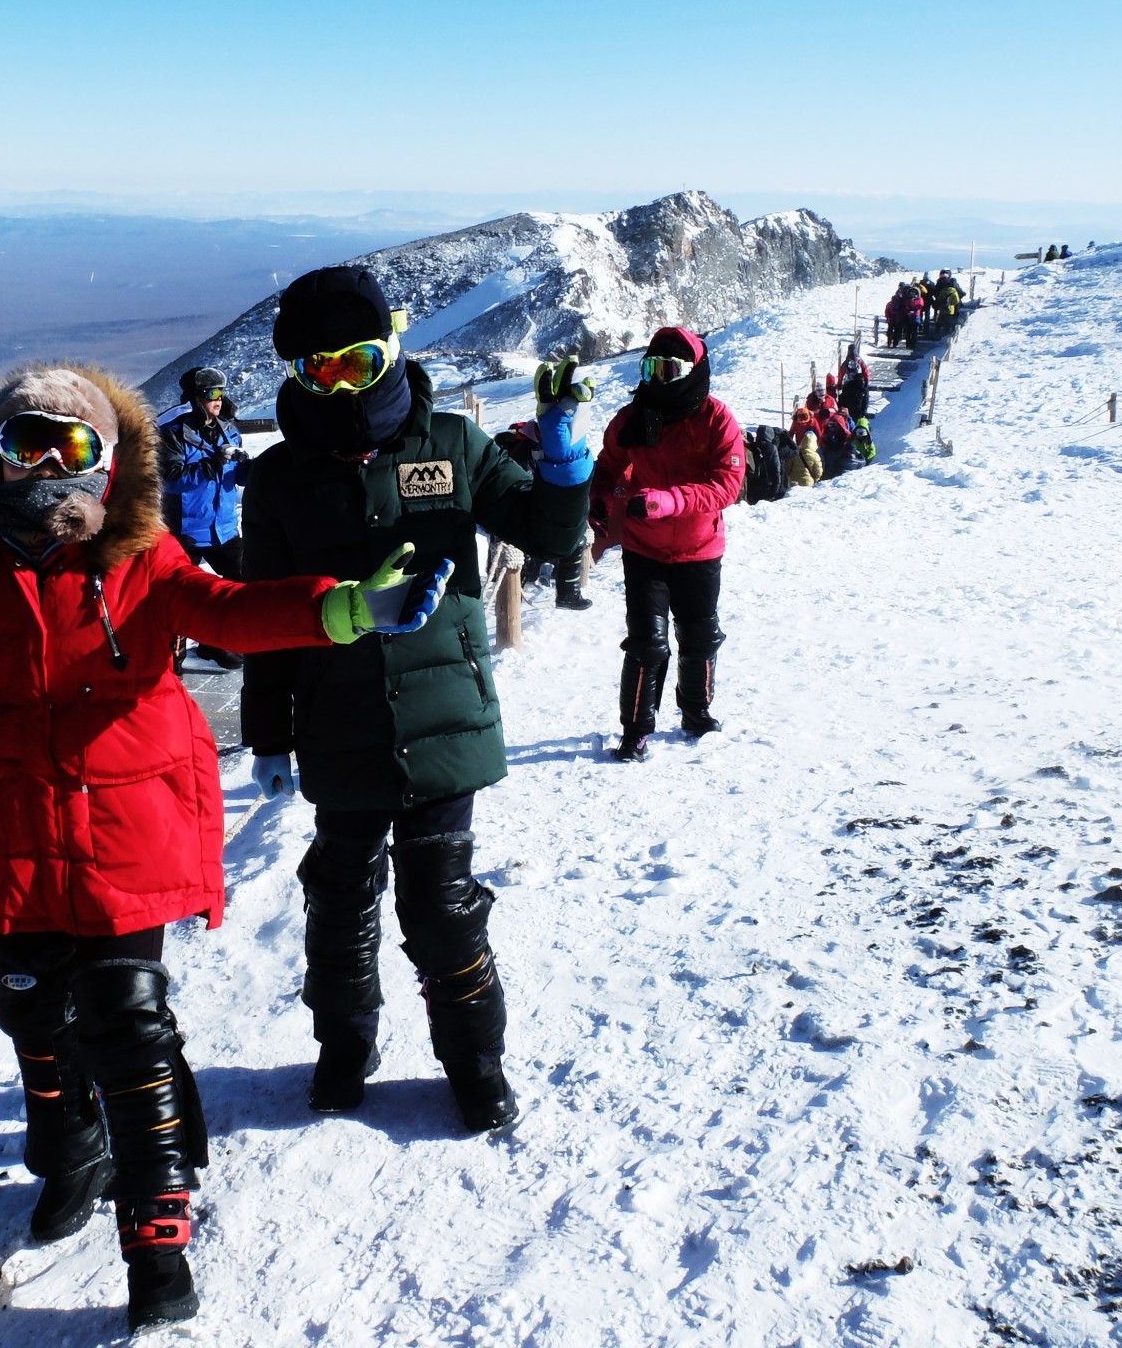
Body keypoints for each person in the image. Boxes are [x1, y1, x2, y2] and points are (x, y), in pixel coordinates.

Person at [0, 358, 448, 1332]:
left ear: (103, 459)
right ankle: (66, 1145)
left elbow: (229, 612)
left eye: (65, 446)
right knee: (26, 998)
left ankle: (155, 1237)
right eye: (19, 445)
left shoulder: (139, 553)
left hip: (126, 820)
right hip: (8, 827)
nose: (42, 469)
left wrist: (344, 608)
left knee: (122, 1019)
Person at [240, 265, 592, 1131]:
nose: (342, 385)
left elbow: (550, 532)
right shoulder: (279, 479)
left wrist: (558, 449)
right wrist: (267, 736)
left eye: (357, 361)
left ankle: (475, 1057)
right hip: (337, 721)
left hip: (443, 722)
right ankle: (344, 1043)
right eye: (317, 371)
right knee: (339, 891)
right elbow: (267, 617)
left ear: (391, 350)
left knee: (440, 901)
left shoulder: (451, 445)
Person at [590, 326, 745, 763]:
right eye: (651, 368)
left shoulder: (716, 419)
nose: (658, 379)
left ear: (692, 371)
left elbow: (727, 484)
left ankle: (696, 711)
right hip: (645, 550)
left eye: (669, 369)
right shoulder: (633, 417)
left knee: (700, 636)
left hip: (700, 548)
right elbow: (607, 467)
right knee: (647, 642)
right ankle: (636, 730)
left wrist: (671, 500)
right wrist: (600, 502)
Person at [158, 365, 250, 667]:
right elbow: (171, 478)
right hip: (185, 531)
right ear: (196, 398)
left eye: (221, 392)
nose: (218, 400)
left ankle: (216, 643)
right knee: (176, 598)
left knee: (242, 585)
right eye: (211, 394)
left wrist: (248, 469)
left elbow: (235, 477)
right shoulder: (173, 434)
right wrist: (212, 463)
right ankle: (170, 659)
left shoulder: (229, 429)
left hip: (223, 529)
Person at [493, 413, 592, 610]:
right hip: (518, 510)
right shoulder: (524, 453)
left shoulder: (546, 450)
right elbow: (518, 485)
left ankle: (564, 590)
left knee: (574, 537)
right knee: (539, 544)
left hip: (534, 508)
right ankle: (514, 599)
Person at [837, 344, 871, 423]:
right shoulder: (859, 360)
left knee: (847, 398)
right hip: (858, 382)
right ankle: (862, 413)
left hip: (849, 382)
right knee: (864, 397)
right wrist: (866, 382)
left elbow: (841, 372)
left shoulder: (847, 361)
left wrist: (839, 384)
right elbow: (866, 371)